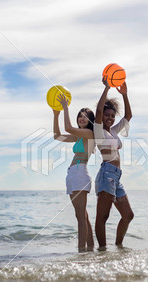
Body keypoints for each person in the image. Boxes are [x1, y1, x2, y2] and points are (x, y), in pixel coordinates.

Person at [93, 76, 134, 250]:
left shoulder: (114, 131)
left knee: (128, 215)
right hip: (106, 174)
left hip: (117, 177)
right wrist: (107, 88)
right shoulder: (98, 130)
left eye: (112, 115)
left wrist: (124, 94)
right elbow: (99, 111)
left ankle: (119, 247)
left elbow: (129, 116)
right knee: (103, 217)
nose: (109, 118)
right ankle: (102, 251)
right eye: (107, 115)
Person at [52, 94, 95, 252]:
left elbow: (68, 128)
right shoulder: (78, 137)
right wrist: (56, 115)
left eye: (85, 117)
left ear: (90, 121)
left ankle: (81, 252)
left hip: (80, 174)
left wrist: (65, 108)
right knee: (82, 215)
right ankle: (91, 248)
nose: (82, 119)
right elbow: (57, 136)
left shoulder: (90, 134)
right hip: (72, 174)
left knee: (80, 217)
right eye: (80, 116)